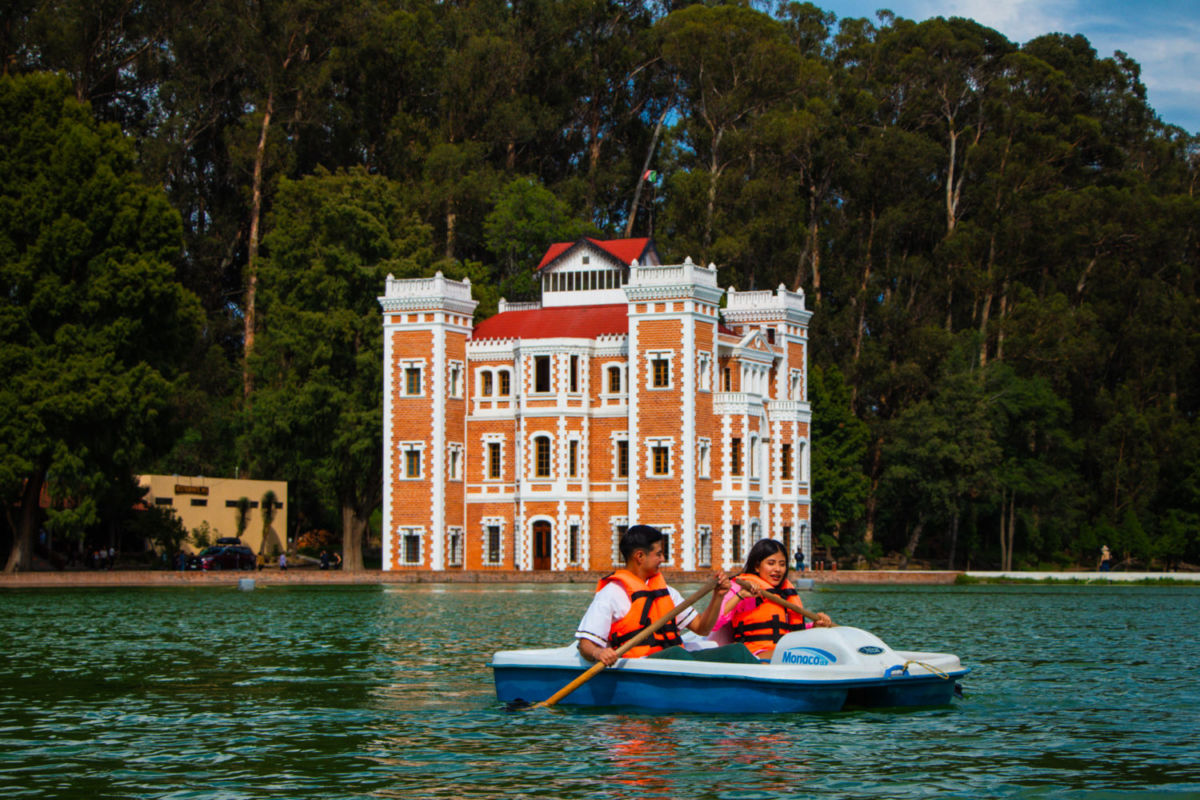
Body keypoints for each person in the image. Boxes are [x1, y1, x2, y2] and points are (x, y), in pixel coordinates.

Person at [576, 525, 731, 666]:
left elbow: (702, 628)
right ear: (640, 556)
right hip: (643, 664)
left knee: (736, 651)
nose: (663, 559)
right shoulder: (611, 594)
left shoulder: (667, 592)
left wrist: (718, 596)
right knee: (676, 654)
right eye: (658, 554)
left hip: (678, 661)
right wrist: (599, 653)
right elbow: (585, 644)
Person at [716, 539, 833, 660]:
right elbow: (714, 623)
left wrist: (815, 627)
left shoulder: (784, 593)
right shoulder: (740, 587)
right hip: (752, 654)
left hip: (783, 654)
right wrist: (740, 595)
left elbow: (789, 630)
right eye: (771, 563)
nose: (777, 569)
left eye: (782, 564)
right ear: (757, 566)